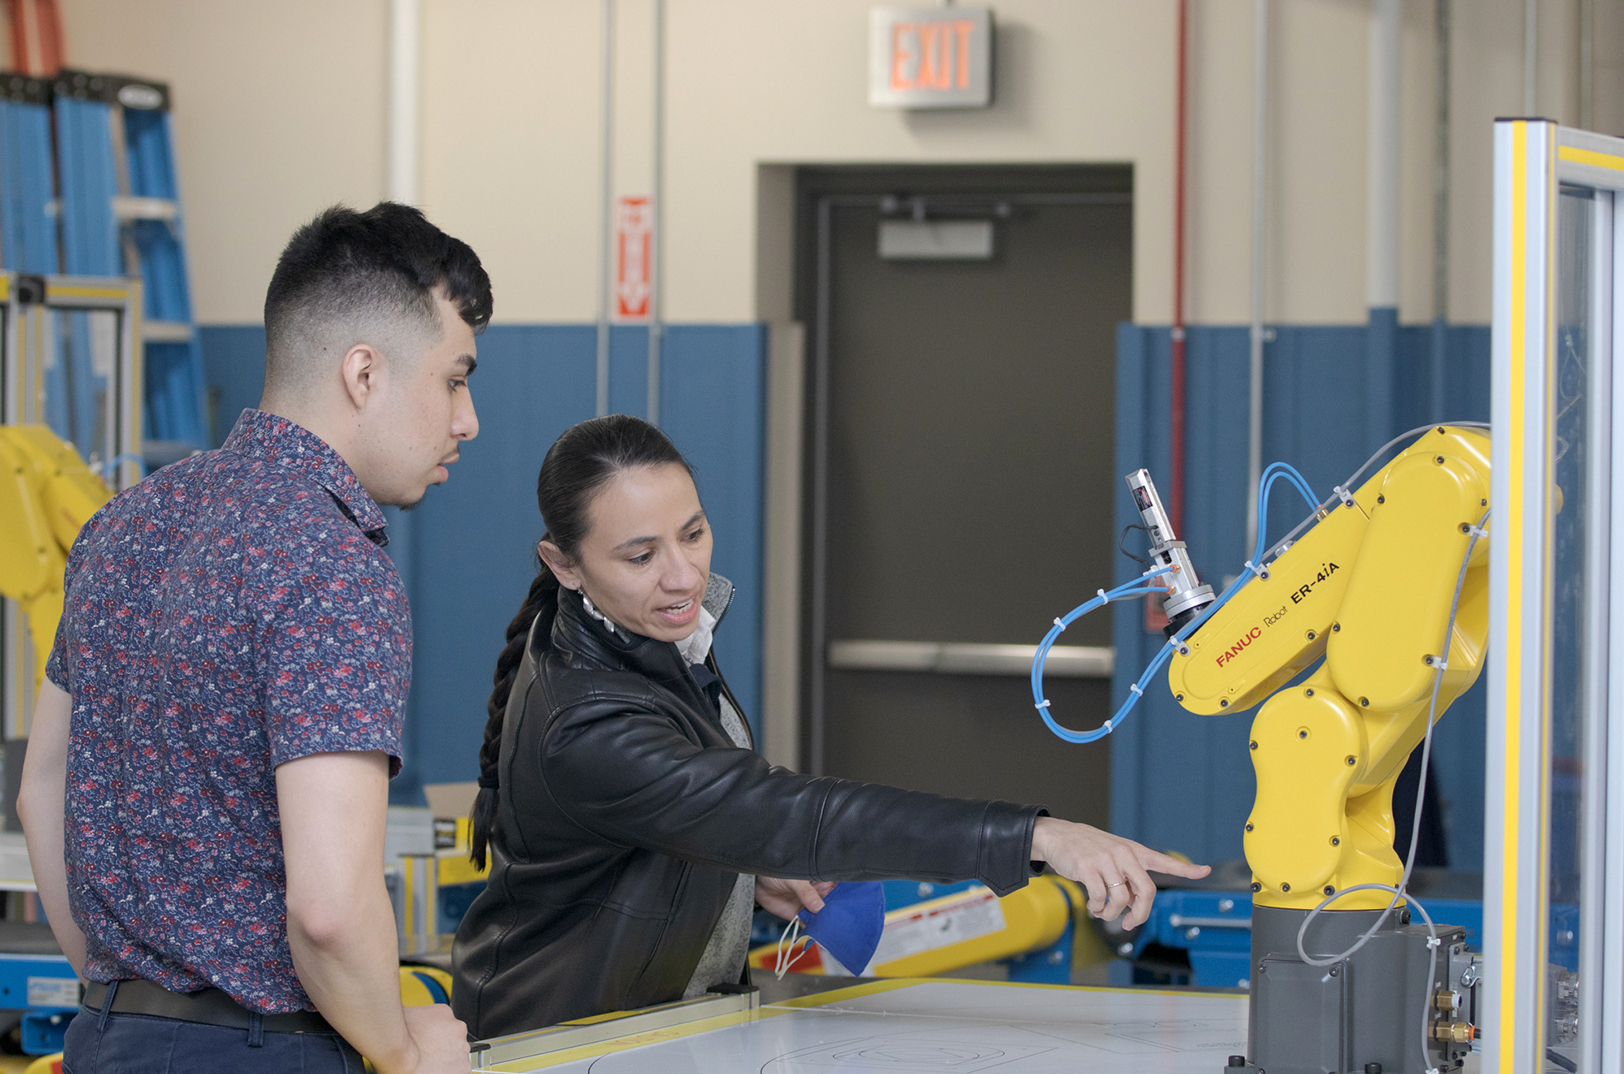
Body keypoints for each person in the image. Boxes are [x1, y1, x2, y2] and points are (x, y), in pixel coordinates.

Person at [452, 415, 1208, 1038]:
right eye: (640, 554)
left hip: (651, 1027)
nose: (682, 575)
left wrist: (736, 866)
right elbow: (781, 808)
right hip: (553, 1044)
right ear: (566, 564)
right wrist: (1040, 836)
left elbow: (675, 811)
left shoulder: (643, 632)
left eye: (693, 532)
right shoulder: (584, 723)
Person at [18, 203, 488, 1074]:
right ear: (363, 373)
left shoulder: (122, 525)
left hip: (108, 1042)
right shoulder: (331, 559)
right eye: (455, 379)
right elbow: (329, 907)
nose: (467, 420)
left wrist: (138, 1007)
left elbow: (41, 797)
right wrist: (403, 1050)